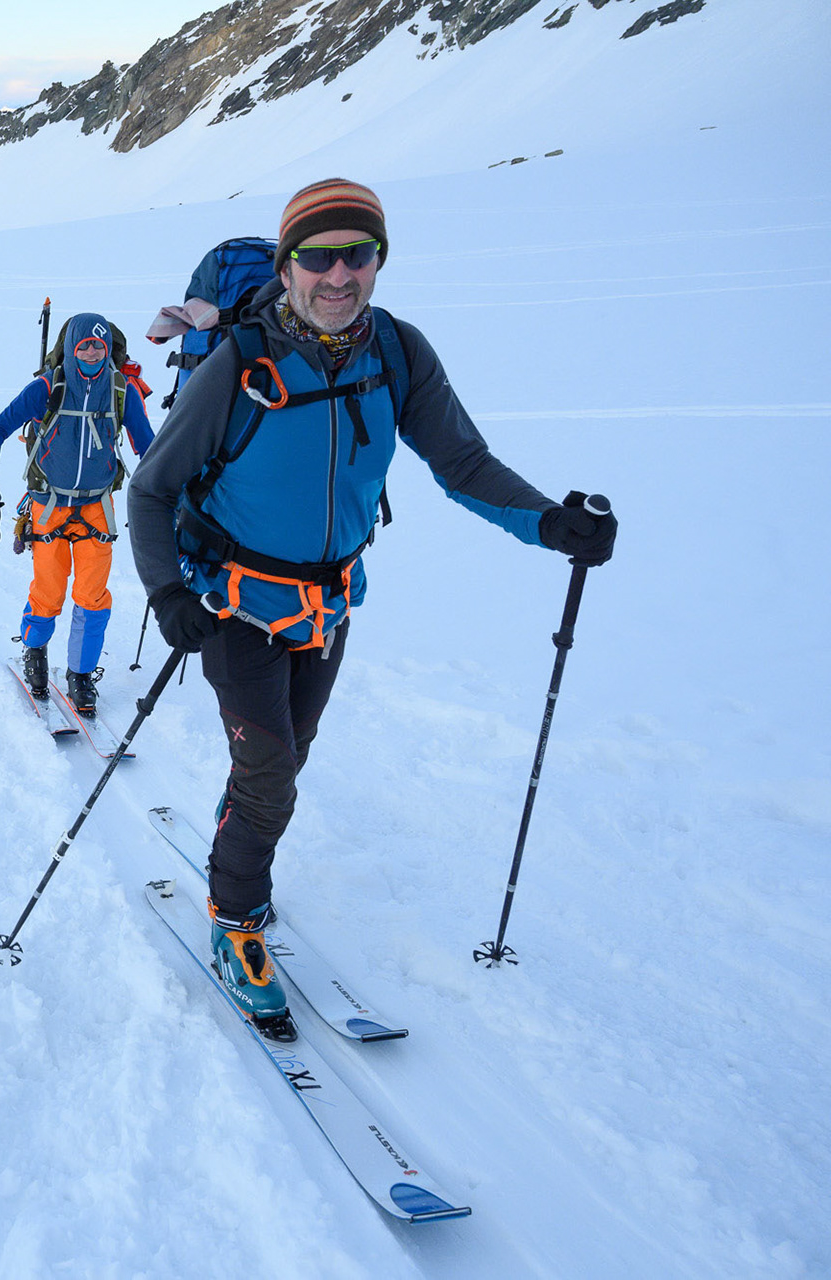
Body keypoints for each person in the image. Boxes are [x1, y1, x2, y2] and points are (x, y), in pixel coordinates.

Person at [127, 178, 618, 1027]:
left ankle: (244, 815)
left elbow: (462, 463)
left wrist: (548, 523)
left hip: (328, 605)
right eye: (318, 257)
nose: (339, 274)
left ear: (379, 260)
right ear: (287, 269)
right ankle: (237, 917)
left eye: (359, 253)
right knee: (273, 773)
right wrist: (168, 591)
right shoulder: (240, 363)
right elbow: (151, 490)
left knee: (287, 755)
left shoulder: (399, 351)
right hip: (232, 605)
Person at [0, 313, 154, 715]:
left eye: (99, 345)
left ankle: (80, 674)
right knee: (49, 591)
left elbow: (148, 447)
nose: (92, 351)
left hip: (96, 507)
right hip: (49, 505)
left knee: (93, 596)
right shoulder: (46, 388)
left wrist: (170, 490)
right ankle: (35, 652)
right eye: (83, 345)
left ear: (108, 348)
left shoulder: (121, 391)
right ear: (70, 348)